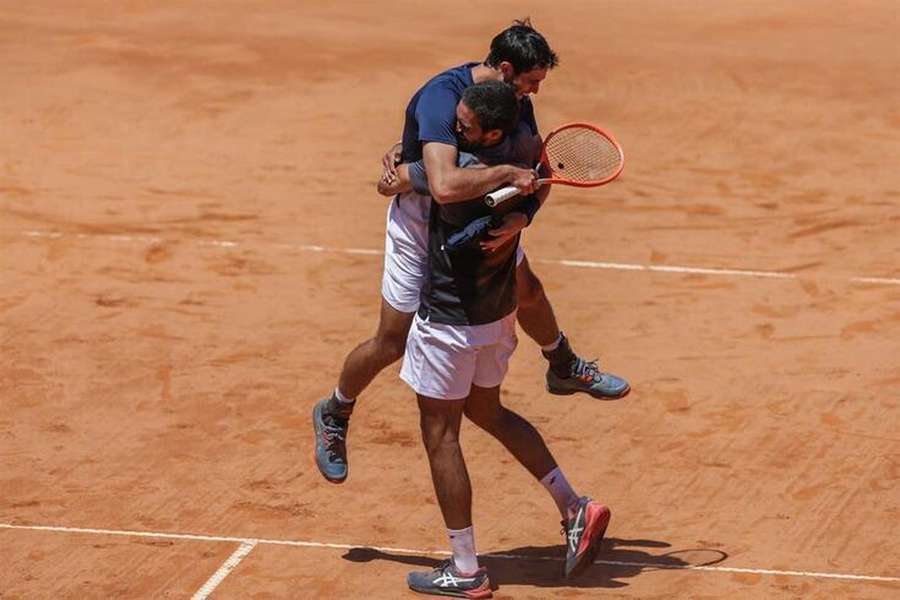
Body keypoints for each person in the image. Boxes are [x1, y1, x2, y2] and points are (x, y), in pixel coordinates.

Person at [313, 19, 629, 485]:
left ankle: (562, 365)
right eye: (532, 81)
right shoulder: (442, 97)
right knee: (392, 340)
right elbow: (441, 186)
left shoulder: (514, 105)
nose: (535, 94)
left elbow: (537, 170)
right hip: (423, 226)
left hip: (477, 220)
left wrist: (524, 217)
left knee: (529, 290)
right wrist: (494, 174)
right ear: (505, 68)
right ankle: (335, 410)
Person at [382, 81, 611, 598]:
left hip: (447, 322)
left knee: (441, 436)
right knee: (488, 411)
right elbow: (523, 182)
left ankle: (466, 569)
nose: (454, 129)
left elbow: (409, 182)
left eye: (464, 126)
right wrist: (521, 187)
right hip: (498, 317)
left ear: (491, 133)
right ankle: (576, 507)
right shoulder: (518, 181)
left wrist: (404, 161)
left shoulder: (461, 175)